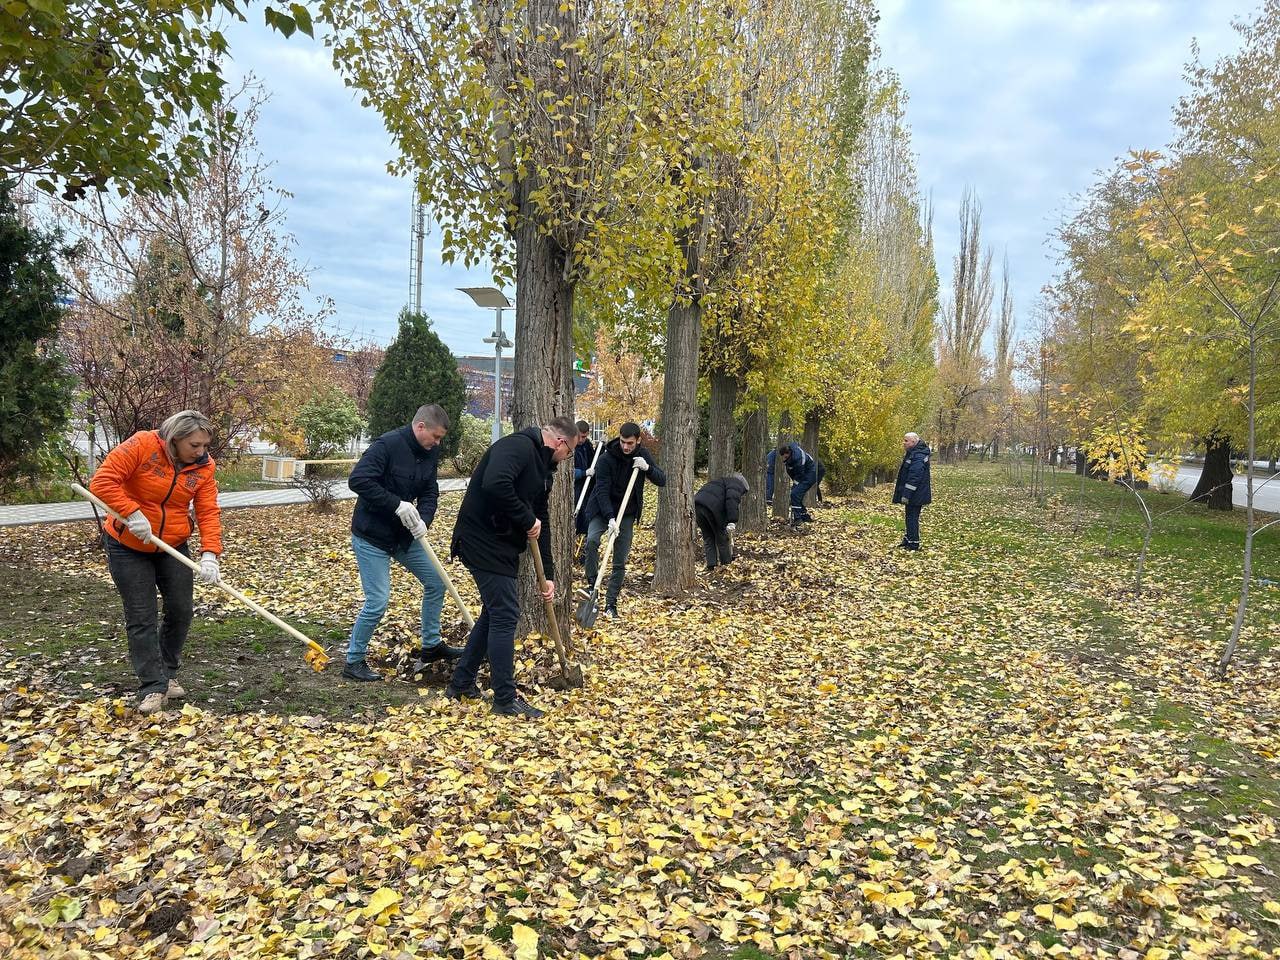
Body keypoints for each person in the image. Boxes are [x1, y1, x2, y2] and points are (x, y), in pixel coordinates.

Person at [89, 410, 223, 715]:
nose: (201, 452)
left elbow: (208, 511)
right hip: (128, 544)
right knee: (141, 615)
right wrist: (132, 512)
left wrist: (210, 554)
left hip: (172, 544)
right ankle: (152, 686)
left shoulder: (204, 467)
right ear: (174, 440)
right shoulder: (141, 445)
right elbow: (103, 481)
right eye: (195, 445)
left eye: (205, 445)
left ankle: (168, 672)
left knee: (181, 610)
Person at [446, 416, 578, 718]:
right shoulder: (517, 447)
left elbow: (539, 518)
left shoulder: (545, 469)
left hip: (503, 545)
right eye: (569, 452)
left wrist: (549, 574)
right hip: (479, 539)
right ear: (560, 442)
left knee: (494, 613)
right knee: (506, 613)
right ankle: (504, 698)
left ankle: (461, 682)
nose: (566, 458)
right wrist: (525, 517)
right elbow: (495, 483)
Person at [343, 403, 460, 682]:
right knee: (378, 600)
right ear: (421, 427)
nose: (437, 443)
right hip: (371, 536)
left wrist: (424, 521)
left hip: (405, 537)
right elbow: (358, 480)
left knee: (437, 581)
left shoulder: (430, 453)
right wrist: (396, 504)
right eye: (436, 437)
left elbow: (431, 492)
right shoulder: (387, 445)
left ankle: (431, 645)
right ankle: (353, 661)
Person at [583, 421, 666, 620]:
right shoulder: (606, 459)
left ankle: (611, 603)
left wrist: (647, 468)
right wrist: (610, 519)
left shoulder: (642, 455)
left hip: (627, 513)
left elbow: (662, 480)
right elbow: (601, 491)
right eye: (623, 442)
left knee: (620, 560)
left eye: (630, 443)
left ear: (638, 441)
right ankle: (592, 582)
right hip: (603, 510)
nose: (626, 447)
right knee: (592, 541)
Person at [694, 473, 749, 571]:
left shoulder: (721, 481)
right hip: (712, 508)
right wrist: (732, 521)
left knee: (708, 537)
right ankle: (726, 564)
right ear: (742, 485)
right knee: (722, 537)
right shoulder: (735, 485)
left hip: (697, 505)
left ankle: (711, 565)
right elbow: (732, 501)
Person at [892, 432, 932, 550]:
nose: (903, 443)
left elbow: (914, 477)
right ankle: (909, 539)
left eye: (906, 441)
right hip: (916, 493)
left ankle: (914, 543)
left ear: (913, 442)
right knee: (909, 516)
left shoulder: (918, 455)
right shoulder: (914, 453)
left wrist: (906, 494)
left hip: (916, 493)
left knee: (912, 517)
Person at [766, 441, 820, 526]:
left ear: (788, 453)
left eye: (784, 457)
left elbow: (799, 475)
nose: (783, 459)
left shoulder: (798, 460)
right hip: (801, 475)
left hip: (809, 476)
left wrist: (795, 485)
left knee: (794, 494)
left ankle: (797, 519)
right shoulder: (791, 455)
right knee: (796, 496)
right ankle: (805, 516)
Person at [572, 419, 596, 538]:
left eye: (585, 437)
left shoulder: (587, 445)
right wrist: (583, 473)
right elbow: (566, 471)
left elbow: (593, 460)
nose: (582, 440)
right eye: (580, 436)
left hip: (587, 489)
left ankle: (583, 548)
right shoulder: (570, 445)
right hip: (575, 489)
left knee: (586, 517)